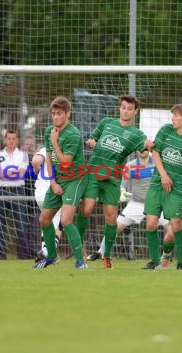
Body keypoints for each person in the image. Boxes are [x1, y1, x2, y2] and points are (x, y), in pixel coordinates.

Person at [76, 95, 150, 269]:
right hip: (93, 172)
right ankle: (79, 250)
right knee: (86, 209)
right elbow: (92, 139)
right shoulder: (106, 122)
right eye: (123, 107)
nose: (125, 110)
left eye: (129, 109)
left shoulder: (136, 134)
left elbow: (145, 150)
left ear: (135, 112)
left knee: (110, 217)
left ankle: (106, 255)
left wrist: (148, 145)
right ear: (120, 108)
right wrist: (91, 141)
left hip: (113, 178)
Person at [143, 103, 182, 270]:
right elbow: (155, 152)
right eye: (172, 115)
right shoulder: (165, 130)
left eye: (176, 116)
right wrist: (163, 175)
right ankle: (155, 262)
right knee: (150, 224)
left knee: (176, 225)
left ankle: (181, 264)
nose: (172, 118)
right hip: (158, 183)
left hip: (179, 188)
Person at [86, 150, 170, 262]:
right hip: (136, 203)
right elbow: (122, 183)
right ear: (136, 150)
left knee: (172, 228)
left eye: (145, 148)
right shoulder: (130, 166)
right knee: (115, 226)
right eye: (140, 148)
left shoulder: (157, 162)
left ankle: (166, 256)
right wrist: (122, 191)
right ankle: (100, 252)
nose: (142, 151)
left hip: (157, 203)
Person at [33, 96, 87, 269]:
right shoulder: (49, 130)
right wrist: (53, 183)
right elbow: (49, 158)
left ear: (67, 114)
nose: (55, 117)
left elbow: (65, 163)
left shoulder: (73, 134)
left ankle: (80, 261)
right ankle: (52, 257)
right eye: (53, 114)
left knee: (66, 219)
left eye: (59, 114)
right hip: (58, 180)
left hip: (75, 180)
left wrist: (55, 142)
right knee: (44, 219)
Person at [0, 130, 32, 260]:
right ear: (5, 140)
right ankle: (0, 256)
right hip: (1, 191)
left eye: (14, 138)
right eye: (9, 138)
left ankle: (23, 256)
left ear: (17, 140)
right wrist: (11, 173)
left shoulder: (23, 155)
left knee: (21, 224)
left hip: (17, 191)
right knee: (0, 225)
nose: (11, 141)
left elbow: (20, 174)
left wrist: (4, 174)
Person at [31, 146, 63, 262]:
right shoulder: (67, 148)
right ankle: (47, 251)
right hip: (52, 192)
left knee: (47, 221)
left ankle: (47, 253)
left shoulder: (46, 148)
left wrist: (36, 170)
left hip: (39, 192)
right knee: (61, 222)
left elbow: (35, 161)